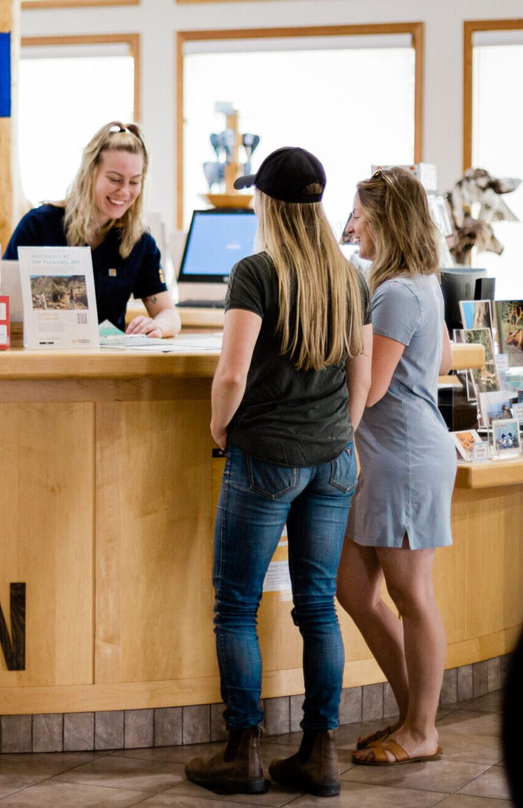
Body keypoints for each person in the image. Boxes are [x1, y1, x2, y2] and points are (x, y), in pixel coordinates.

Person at [184, 147, 371, 797]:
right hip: (333, 459)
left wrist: (218, 428)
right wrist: (338, 438)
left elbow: (232, 372)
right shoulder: (351, 277)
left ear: (267, 204)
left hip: (266, 456)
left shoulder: (255, 272)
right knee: (318, 607)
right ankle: (320, 752)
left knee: (235, 605)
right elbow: (362, 377)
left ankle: (244, 752)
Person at [336, 166, 455, 767]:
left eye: (358, 214)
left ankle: (422, 728)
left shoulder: (394, 293)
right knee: (354, 589)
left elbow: (371, 388)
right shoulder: (419, 283)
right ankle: (413, 716)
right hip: (391, 457)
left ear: (383, 219)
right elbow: (436, 362)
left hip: (403, 457)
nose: (351, 225)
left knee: (411, 593)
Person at [4, 121, 181, 337]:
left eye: (134, 182)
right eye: (115, 179)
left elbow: (168, 313)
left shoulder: (138, 241)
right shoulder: (39, 226)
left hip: (106, 363)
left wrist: (158, 326)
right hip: (43, 359)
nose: (124, 192)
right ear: (91, 174)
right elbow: (2, 303)